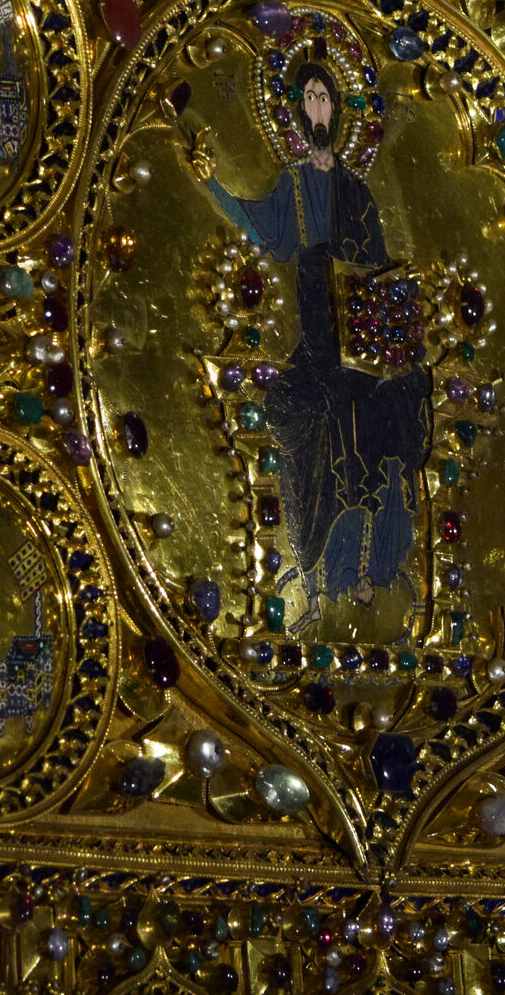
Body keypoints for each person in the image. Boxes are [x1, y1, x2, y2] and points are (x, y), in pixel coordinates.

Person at [188, 58, 431, 630]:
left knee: (380, 409)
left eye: (326, 98)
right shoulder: (292, 184)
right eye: (311, 97)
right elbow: (257, 226)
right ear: (298, 110)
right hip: (315, 330)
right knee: (295, 410)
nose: (318, 107)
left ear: (337, 111)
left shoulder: (357, 189)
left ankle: (371, 570)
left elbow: (379, 266)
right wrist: (210, 184)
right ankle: (312, 575)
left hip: (361, 335)